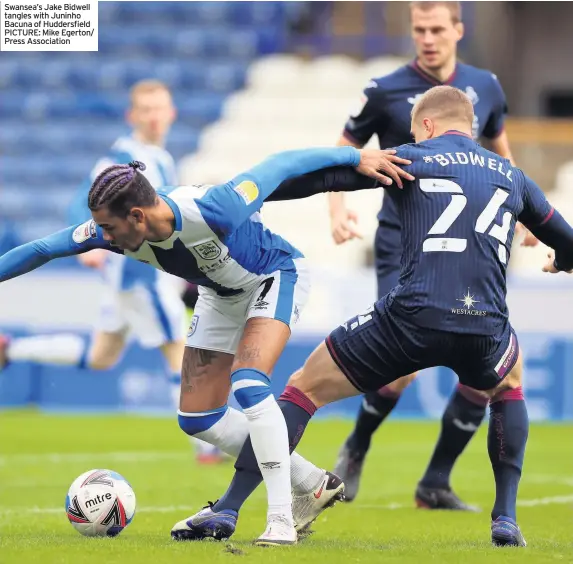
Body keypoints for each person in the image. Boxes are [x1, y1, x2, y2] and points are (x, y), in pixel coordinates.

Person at [202, 86, 573, 548]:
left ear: (428, 127)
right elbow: (568, 241)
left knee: (304, 388)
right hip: (485, 326)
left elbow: (324, 179)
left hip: (410, 318)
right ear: (471, 128)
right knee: (507, 384)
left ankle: (229, 508)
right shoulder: (513, 176)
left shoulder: (411, 158)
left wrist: (250, 201)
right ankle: (506, 519)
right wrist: (560, 262)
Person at [0, 145, 412, 545]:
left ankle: (281, 518)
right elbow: (41, 249)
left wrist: (356, 156)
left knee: (249, 385)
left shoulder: (215, 208)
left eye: (109, 228)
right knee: (197, 418)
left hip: (274, 274)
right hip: (220, 294)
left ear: (138, 215)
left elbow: (282, 163)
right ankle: (311, 482)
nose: (102, 238)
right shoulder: (110, 230)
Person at [329, 0, 538, 507]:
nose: (427, 37)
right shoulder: (384, 91)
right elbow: (345, 148)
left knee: (490, 364)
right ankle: (356, 447)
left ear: (458, 30)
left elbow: (500, 152)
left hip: (472, 244)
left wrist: (525, 214)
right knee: (402, 366)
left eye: (436, 28)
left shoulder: (485, 86)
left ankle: (435, 482)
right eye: (419, 29)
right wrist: (337, 207)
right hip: (402, 241)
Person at [0, 80, 224, 464]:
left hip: (130, 278)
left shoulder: (160, 156)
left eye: (160, 109)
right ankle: (206, 444)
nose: (154, 117)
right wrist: (87, 247)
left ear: (171, 113)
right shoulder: (123, 158)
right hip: (140, 276)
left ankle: (10, 349)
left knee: (103, 356)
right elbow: (80, 202)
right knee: (179, 352)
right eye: (146, 110)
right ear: (132, 115)